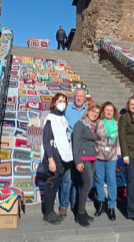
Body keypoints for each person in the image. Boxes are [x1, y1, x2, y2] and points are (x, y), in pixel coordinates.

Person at [41, 93, 73, 225]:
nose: (62, 103)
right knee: (51, 185)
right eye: (60, 100)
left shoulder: (63, 119)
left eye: (64, 101)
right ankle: (47, 213)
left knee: (54, 186)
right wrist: (50, 159)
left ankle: (52, 211)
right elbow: (46, 140)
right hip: (53, 157)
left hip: (61, 159)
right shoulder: (51, 118)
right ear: (54, 102)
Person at [73, 104, 102, 227]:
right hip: (83, 158)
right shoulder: (81, 124)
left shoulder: (94, 126)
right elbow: (76, 143)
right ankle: (79, 214)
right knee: (88, 185)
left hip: (92, 158)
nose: (94, 114)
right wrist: (77, 161)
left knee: (83, 185)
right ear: (88, 111)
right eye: (93, 111)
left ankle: (82, 211)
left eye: (97, 113)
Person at [60, 88, 87, 217]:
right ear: (74, 96)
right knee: (66, 179)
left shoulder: (87, 111)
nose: (79, 98)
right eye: (77, 96)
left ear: (84, 98)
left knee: (77, 180)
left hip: (80, 151)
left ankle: (75, 204)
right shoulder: (67, 109)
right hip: (67, 150)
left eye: (81, 96)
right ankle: (63, 206)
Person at [118, 96, 134, 222]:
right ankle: (131, 211)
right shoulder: (124, 118)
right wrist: (125, 155)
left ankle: (132, 206)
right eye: (131, 104)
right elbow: (122, 136)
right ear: (128, 105)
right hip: (130, 154)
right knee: (131, 181)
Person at [94, 102, 119, 221]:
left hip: (112, 157)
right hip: (99, 156)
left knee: (111, 180)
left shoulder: (117, 124)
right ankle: (101, 203)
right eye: (107, 110)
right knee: (99, 179)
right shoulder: (98, 123)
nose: (109, 112)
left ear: (114, 112)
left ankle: (111, 206)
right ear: (103, 111)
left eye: (111, 110)